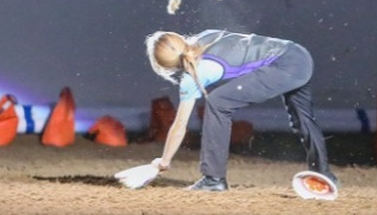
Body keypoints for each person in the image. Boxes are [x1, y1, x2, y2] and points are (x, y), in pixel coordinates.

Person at [143, 29, 339, 192]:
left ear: (164, 67)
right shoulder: (206, 35)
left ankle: (213, 179)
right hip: (298, 55)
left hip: (285, 67)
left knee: (218, 103)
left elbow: (180, 125)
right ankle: (325, 174)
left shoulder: (192, 76)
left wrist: (165, 160)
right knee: (302, 119)